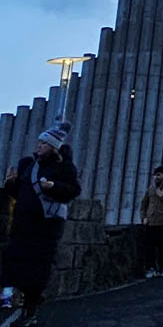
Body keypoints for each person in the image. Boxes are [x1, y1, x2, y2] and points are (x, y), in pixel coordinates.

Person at [0, 121, 80, 325]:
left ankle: (30, 306)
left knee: (38, 267)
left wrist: (53, 186)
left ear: (53, 147)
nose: (38, 146)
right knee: (12, 258)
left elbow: (73, 190)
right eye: (38, 143)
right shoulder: (28, 165)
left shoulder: (64, 167)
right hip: (22, 224)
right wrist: (10, 184)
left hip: (46, 227)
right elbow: (20, 192)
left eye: (43, 144)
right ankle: (9, 296)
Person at [140, 165, 163, 278]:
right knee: (150, 247)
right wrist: (143, 217)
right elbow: (143, 205)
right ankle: (150, 268)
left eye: (159, 175)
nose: (157, 177)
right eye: (155, 175)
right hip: (151, 222)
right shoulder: (150, 189)